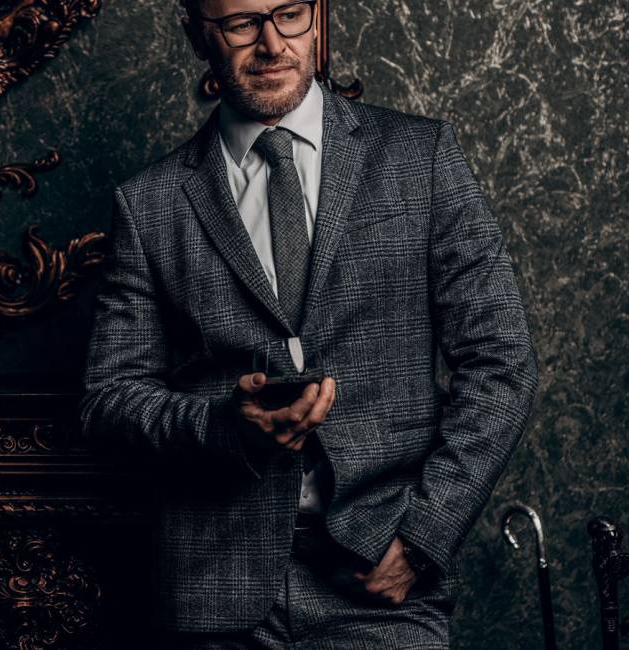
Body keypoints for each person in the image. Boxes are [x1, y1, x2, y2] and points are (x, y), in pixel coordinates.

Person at [78, 0, 539, 646]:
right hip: (215, 594)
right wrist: (224, 428)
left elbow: (501, 364)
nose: (272, 43)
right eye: (242, 23)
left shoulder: (421, 158)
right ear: (198, 36)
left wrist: (424, 537)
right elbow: (109, 401)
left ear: (318, 19)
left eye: (289, 14)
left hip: (380, 587)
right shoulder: (150, 204)